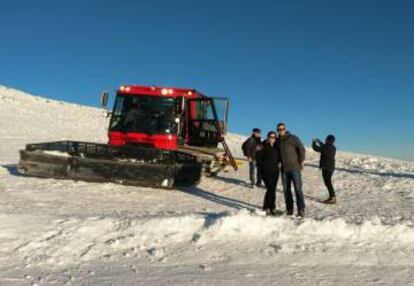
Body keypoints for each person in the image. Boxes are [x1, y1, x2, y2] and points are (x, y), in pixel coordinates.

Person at [277, 122, 306, 217]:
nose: (281, 131)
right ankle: (289, 209)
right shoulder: (278, 141)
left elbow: (301, 149)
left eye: (282, 129)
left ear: (285, 129)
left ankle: (301, 209)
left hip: (294, 168)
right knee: (286, 190)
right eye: (279, 129)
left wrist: (301, 161)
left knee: (298, 189)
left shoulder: (293, 138)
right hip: (284, 170)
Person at [259, 131, 281, 215]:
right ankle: (269, 207)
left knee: (272, 189)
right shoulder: (263, 146)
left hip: (275, 171)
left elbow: (280, 155)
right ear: (268, 137)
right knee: (270, 188)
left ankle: (270, 207)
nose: (272, 138)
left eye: (274, 137)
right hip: (266, 171)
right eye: (271, 137)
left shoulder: (277, 146)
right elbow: (258, 158)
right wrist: (262, 167)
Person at [312, 135, 337, 204]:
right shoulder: (333, 147)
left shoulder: (325, 147)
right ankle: (332, 197)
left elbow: (315, 148)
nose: (325, 140)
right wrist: (319, 141)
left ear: (328, 140)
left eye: (326, 139)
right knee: (328, 182)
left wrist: (313, 142)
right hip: (330, 168)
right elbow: (324, 146)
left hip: (326, 168)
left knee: (328, 183)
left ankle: (332, 198)